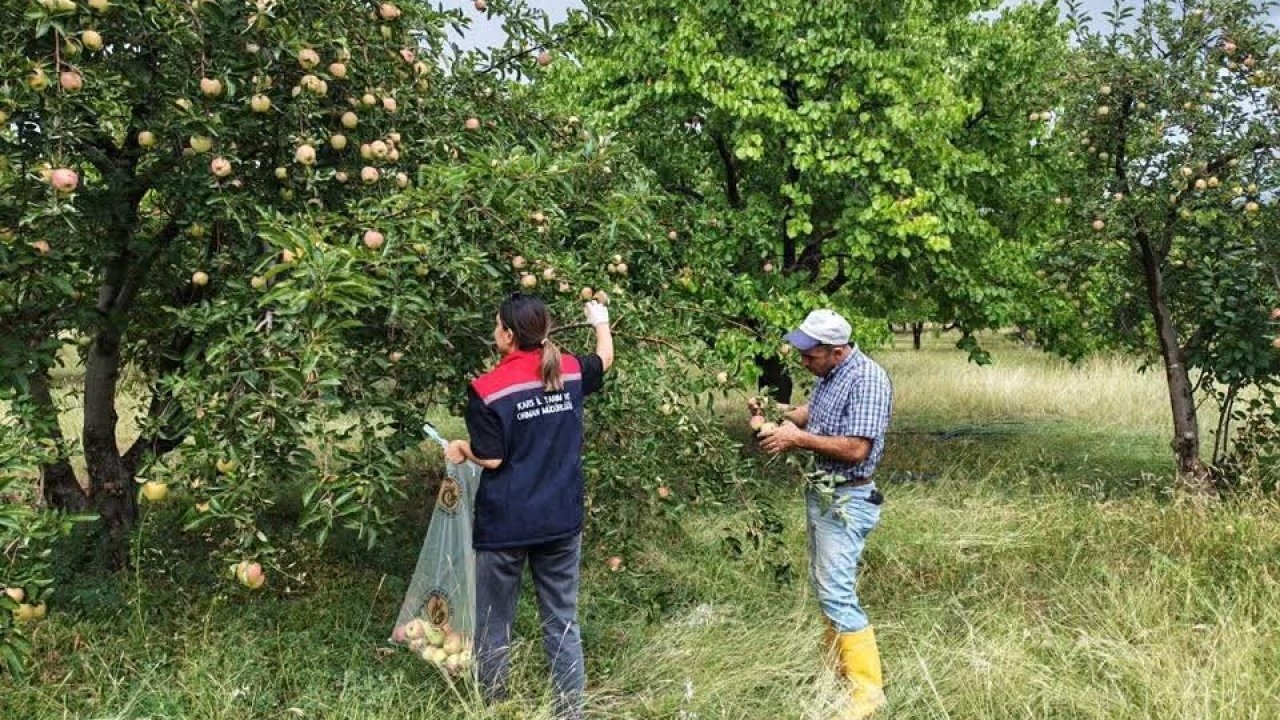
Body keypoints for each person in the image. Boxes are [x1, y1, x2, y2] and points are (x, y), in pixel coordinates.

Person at [445, 293, 613, 720]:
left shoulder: (487, 390)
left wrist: (462, 447)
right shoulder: (568, 370)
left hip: (506, 524)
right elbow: (604, 360)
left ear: (507, 334)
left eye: (496, 324)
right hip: (560, 520)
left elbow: (492, 459)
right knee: (562, 619)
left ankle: (495, 707)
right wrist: (600, 320)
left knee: (493, 621)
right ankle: (569, 712)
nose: (494, 331)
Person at [751, 308, 892, 719]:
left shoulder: (867, 379)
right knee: (826, 584)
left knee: (837, 591)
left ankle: (868, 695)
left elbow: (856, 448)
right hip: (824, 493)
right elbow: (812, 414)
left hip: (847, 499)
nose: (802, 361)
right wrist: (774, 412)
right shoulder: (831, 374)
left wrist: (797, 440)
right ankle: (839, 671)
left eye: (810, 355)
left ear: (836, 351)